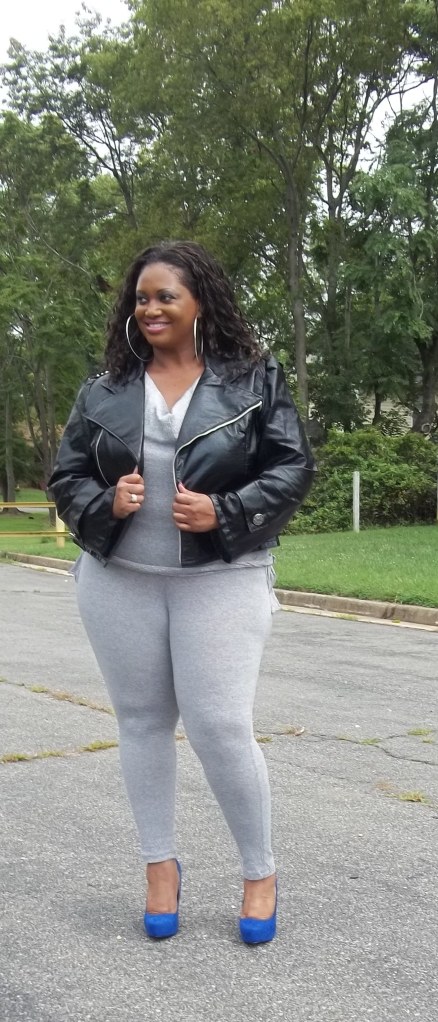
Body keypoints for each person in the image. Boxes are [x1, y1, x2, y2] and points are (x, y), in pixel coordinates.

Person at [49, 240, 315, 945]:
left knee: (220, 726)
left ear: (200, 301)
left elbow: (292, 467)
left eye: (166, 296)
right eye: (141, 298)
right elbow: (66, 476)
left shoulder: (253, 378)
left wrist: (226, 512)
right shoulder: (105, 388)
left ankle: (259, 873)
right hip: (118, 580)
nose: (151, 308)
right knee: (141, 722)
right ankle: (159, 867)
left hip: (221, 578)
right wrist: (106, 502)